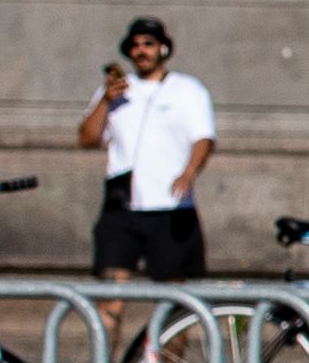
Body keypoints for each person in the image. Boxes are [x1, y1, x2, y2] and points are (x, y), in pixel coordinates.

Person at [80, 17, 216, 284]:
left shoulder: (187, 90)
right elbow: (87, 139)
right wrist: (106, 101)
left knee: (176, 300)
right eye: (135, 45)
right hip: (121, 206)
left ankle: (161, 329)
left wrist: (188, 173)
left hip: (170, 207)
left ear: (162, 48)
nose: (141, 50)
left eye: (148, 44)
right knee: (111, 293)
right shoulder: (114, 92)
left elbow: (204, 139)